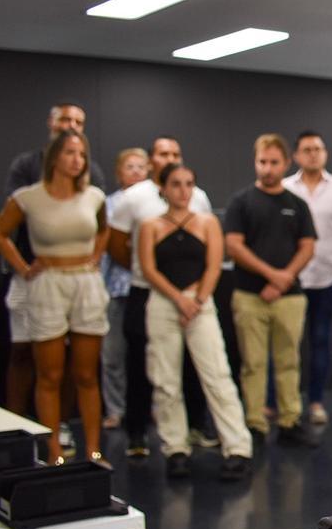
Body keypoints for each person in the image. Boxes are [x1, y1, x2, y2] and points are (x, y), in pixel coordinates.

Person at [0, 130, 109, 464]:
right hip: (47, 283)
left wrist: (95, 256)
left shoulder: (94, 196)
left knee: (86, 374)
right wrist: (22, 266)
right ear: (54, 156)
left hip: (84, 282)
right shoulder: (29, 197)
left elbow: (103, 230)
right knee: (50, 374)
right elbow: (0, 233)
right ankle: (53, 448)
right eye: (71, 152)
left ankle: (93, 449)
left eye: (82, 154)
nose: (77, 160)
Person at [139, 163, 253, 480]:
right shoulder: (150, 225)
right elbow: (149, 269)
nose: (183, 190)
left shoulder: (207, 223)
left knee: (217, 375)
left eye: (189, 184)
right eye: (176, 184)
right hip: (164, 304)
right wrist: (178, 299)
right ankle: (175, 448)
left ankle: (237, 448)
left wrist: (197, 300)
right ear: (163, 188)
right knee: (165, 379)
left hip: (199, 303)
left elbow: (214, 267)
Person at [109, 136, 216, 458]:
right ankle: (137, 432)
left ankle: (196, 425)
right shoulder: (134, 198)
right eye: (162, 154)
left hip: (192, 295)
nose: (169, 157)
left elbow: (207, 244)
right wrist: (144, 271)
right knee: (142, 363)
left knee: (194, 364)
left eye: (175, 153)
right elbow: (115, 244)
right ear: (152, 159)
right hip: (147, 292)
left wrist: (192, 295)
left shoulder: (198, 196)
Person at [224, 134, 317, 446]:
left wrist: (285, 278)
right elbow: (234, 246)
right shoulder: (241, 202)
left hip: (289, 297)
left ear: (286, 163)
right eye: (262, 162)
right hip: (250, 295)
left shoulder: (297, 205)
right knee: (253, 363)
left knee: (289, 360)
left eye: (274, 162)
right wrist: (270, 275)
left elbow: (307, 246)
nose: (267, 168)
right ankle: (255, 423)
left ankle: (290, 420)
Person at [283, 130, 332, 425]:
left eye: (318, 148)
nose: (313, 153)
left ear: (325, 153)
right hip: (293, 277)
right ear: (296, 156)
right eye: (307, 149)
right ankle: (283, 403)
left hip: (328, 276)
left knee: (320, 339)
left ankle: (315, 402)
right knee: (288, 342)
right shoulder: (286, 188)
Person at [100, 148, 148, 429]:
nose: (136, 171)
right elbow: (109, 249)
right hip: (116, 290)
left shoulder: (157, 202)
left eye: (141, 166)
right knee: (113, 354)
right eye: (129, 166)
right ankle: (116, 410)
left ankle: (149, 408)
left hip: (148, 290)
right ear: (119, 172)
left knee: (148, 356)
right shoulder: (108, 205)